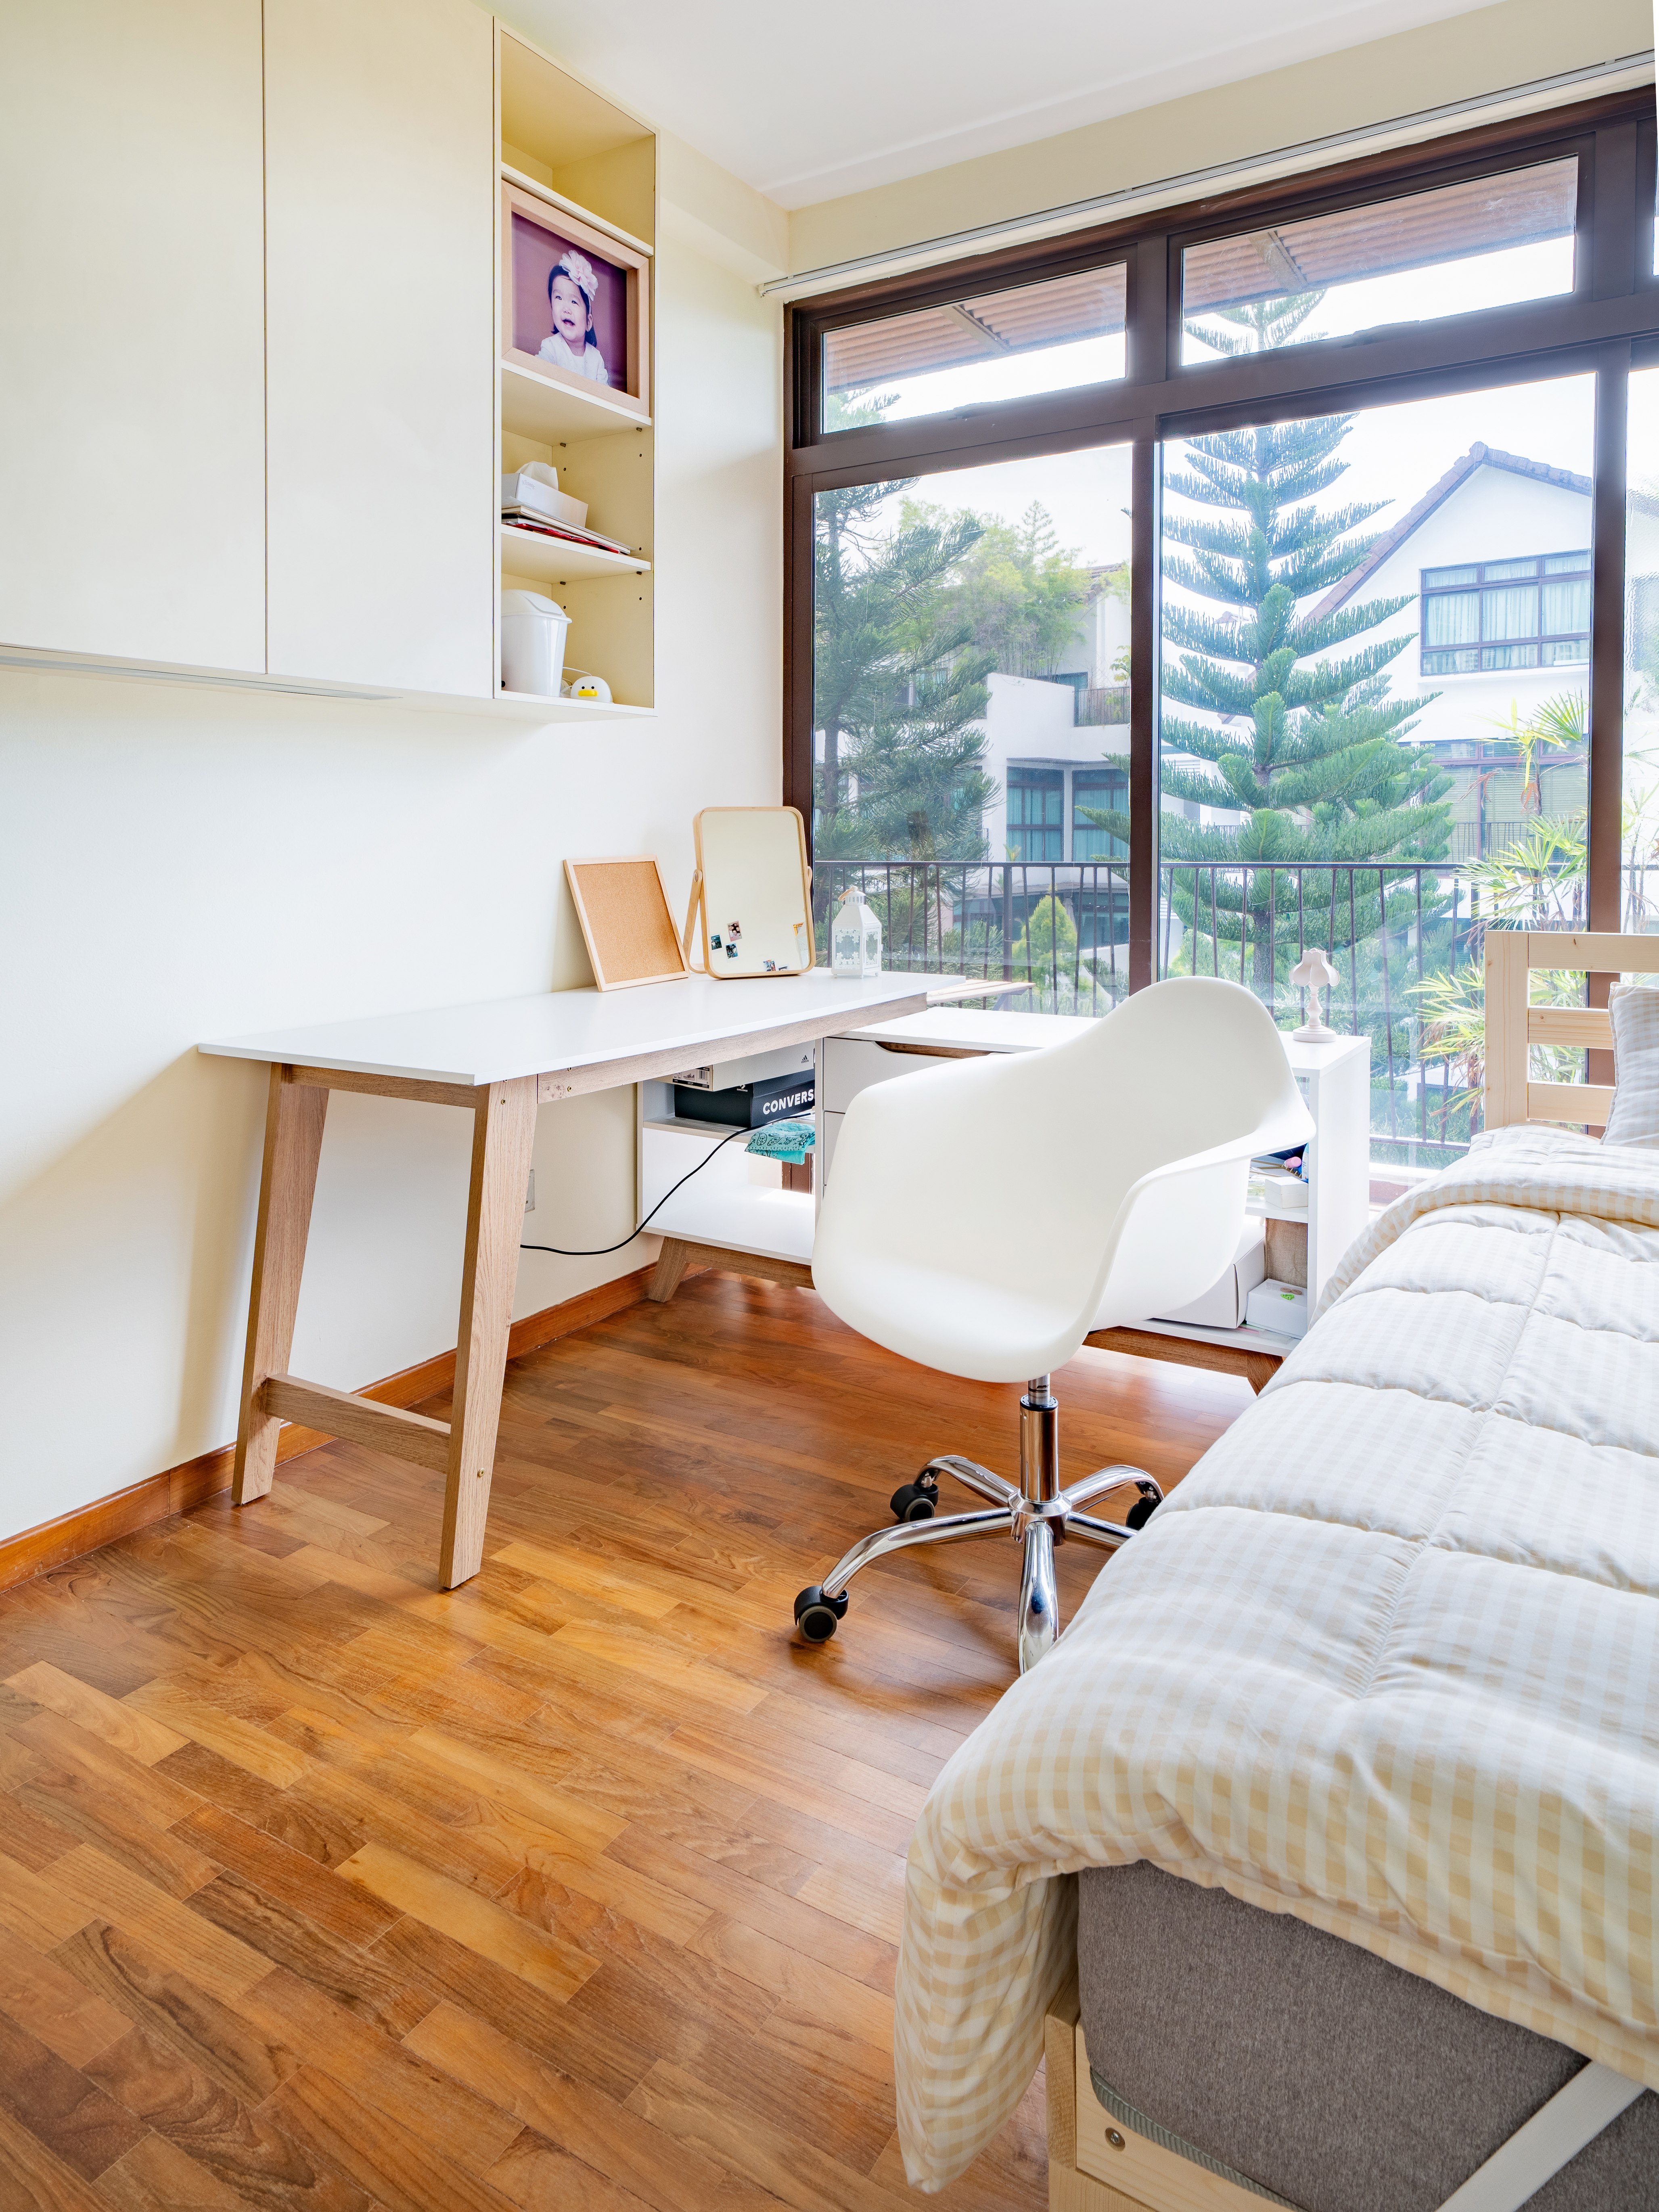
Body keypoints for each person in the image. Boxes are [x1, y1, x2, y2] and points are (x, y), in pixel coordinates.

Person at [538, 251, 609, 384]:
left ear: (588, 322)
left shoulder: (596, 359)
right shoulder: (551, 347)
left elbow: (605, 396)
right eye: (559, 298)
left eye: (574, 302)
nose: (566, 309)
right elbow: (536, 374)